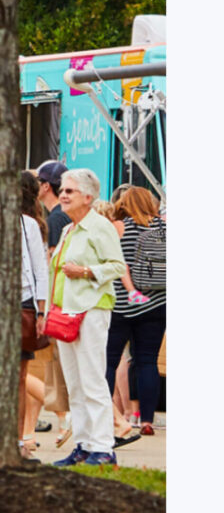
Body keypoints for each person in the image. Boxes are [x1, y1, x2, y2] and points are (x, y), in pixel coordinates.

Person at [46, 168, 127, 467]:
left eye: (70, 191)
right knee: (75, 384)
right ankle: (83, 444)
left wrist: (86, 271)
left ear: (88, 197)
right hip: (65, 312)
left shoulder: (100, 226)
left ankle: (103, 447)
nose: (63, 195)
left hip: (91, 310)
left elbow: (117, 266)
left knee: (92, 380)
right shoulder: (68, 229)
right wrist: (49, 310)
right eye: (62, 190)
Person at [106, 186, 167, 438]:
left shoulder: (120, 227)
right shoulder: (164, 227)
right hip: (157, 303)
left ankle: (107, 416)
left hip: (122, 304)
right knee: (147, 361)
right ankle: (147, 420)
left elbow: (117, 264)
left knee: (110, 361)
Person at [34, 159, 72, 445]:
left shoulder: (56, 220)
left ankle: (67, 418)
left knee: (52, 367)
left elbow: (52, 264)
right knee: (50, 367)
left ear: (46, 186)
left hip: (58, 304)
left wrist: (45, 307)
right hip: (62, 302)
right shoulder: (58, 217)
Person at [19, 171, 50, 460]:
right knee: (19, 376)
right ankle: (21, 437)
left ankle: (20, 439)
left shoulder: (29, 224)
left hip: (23, 303)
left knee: (20, 376)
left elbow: (40, 269)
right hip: (14, 303)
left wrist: (42, 310)